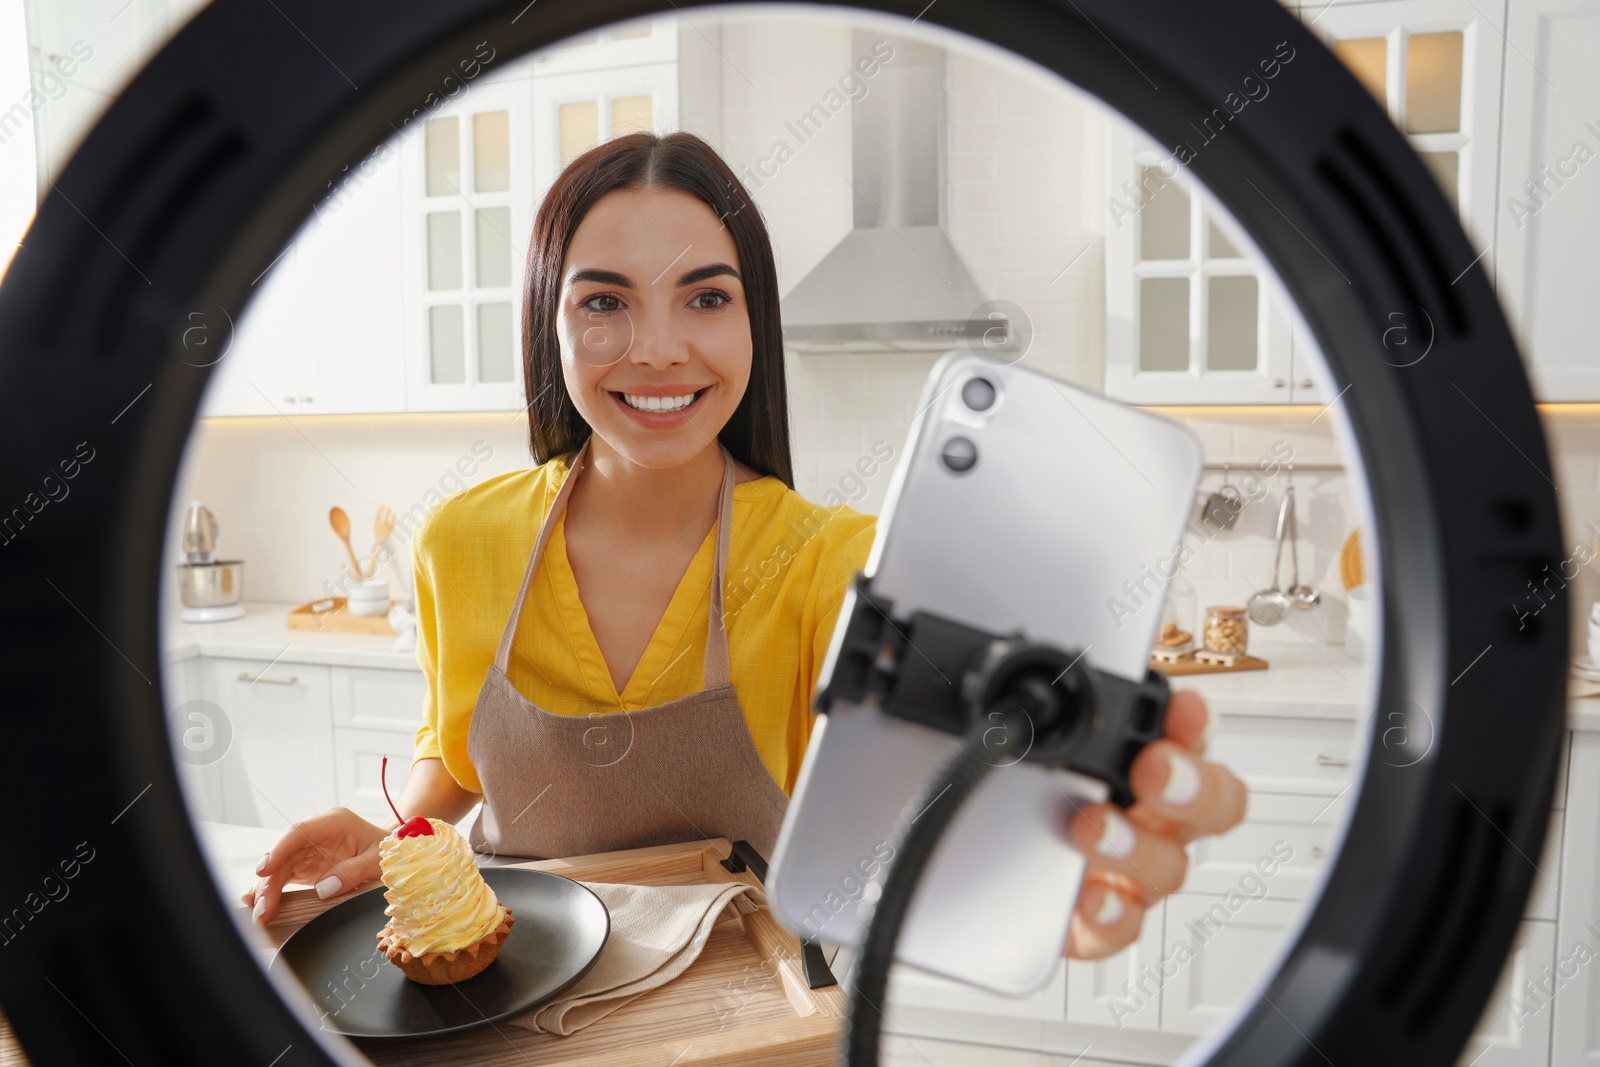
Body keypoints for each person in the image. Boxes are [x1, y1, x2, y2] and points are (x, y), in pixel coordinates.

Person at [243, 131, 1246, 961]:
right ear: (548, 324)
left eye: (705, 296)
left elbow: (939, 761)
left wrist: (1058, 827)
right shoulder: (460, 540)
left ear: (752, 320)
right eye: (603, 301)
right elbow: (457, 758)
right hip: (515, 1014)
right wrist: (395, 840)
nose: (657, 347)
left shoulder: (827, 562)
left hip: (757, 1021)